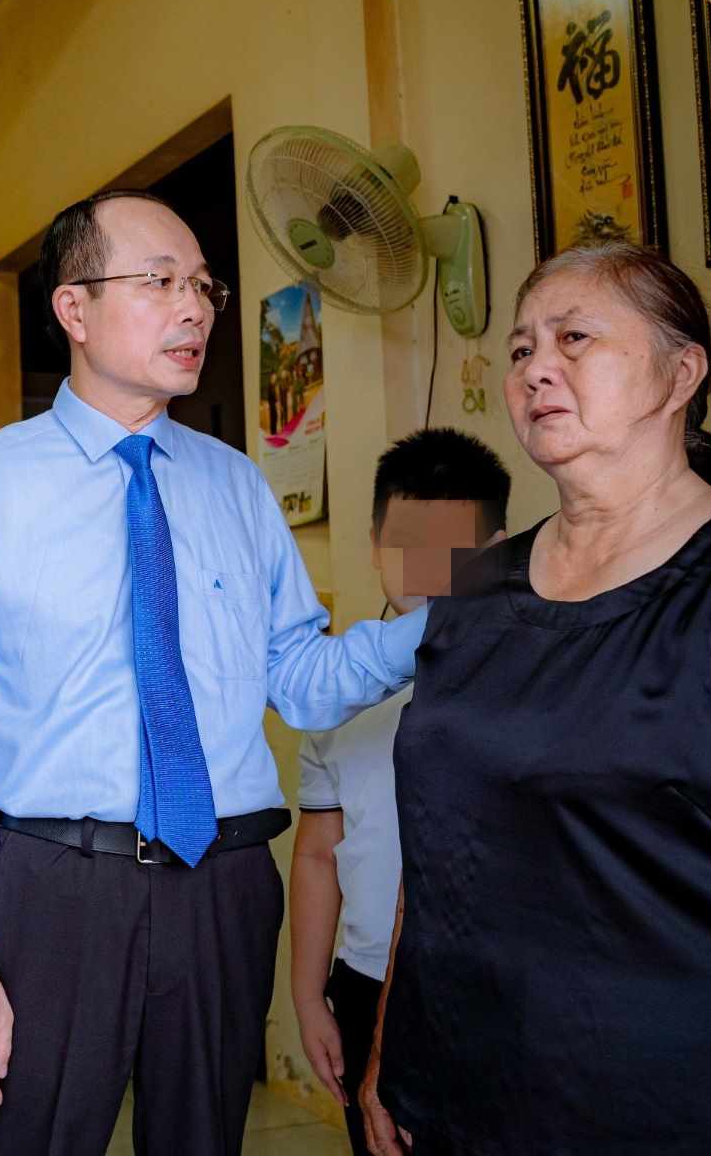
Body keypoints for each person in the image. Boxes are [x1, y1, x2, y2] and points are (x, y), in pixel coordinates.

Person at [0, 190, 428, 1156]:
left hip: (222, 882)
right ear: (74, 308)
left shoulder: (234, 483)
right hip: (54, 885)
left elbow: (299, 677)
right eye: (159, 283)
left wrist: (443, 626)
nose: (194, 308)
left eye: (203, 286)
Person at [359, 241, 711, 1155]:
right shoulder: (474, 595)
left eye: (575, 338)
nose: (538, 369)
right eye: (523, 349)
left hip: (655, 1111)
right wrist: (387, 1052)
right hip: (444, 1096)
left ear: (681, 371)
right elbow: (440, 829)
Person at [288, 428, 508, 1156]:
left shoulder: (528, 686)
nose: (426, 569)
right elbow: (319, 855)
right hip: (362, 979)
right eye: (407, 542)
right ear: (376, 541)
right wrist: (307, 995)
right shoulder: (335, 694)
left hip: (495, 984)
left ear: (497, 546)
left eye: (454, 548)